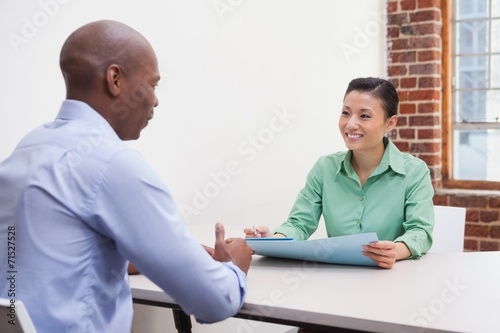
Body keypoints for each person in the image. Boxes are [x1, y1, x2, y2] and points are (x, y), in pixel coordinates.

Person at [0, 20, 252, 332]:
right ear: (115, 79)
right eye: (153, 84)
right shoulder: (112, 163)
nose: (155, 100)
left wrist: (128, 255)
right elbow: (213, 301)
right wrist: (235, 267)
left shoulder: (27, 149)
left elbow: (34, 260)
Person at [245, 77, 434, 270]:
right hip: (336, 278)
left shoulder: (415, 172)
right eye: (346, 113)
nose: (351, 124)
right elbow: (300, 223)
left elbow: (420, 232)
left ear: (390, 123)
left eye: (364, 116)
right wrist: (273, 241)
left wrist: (395, 250)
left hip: (392, 278)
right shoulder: (325, 168)